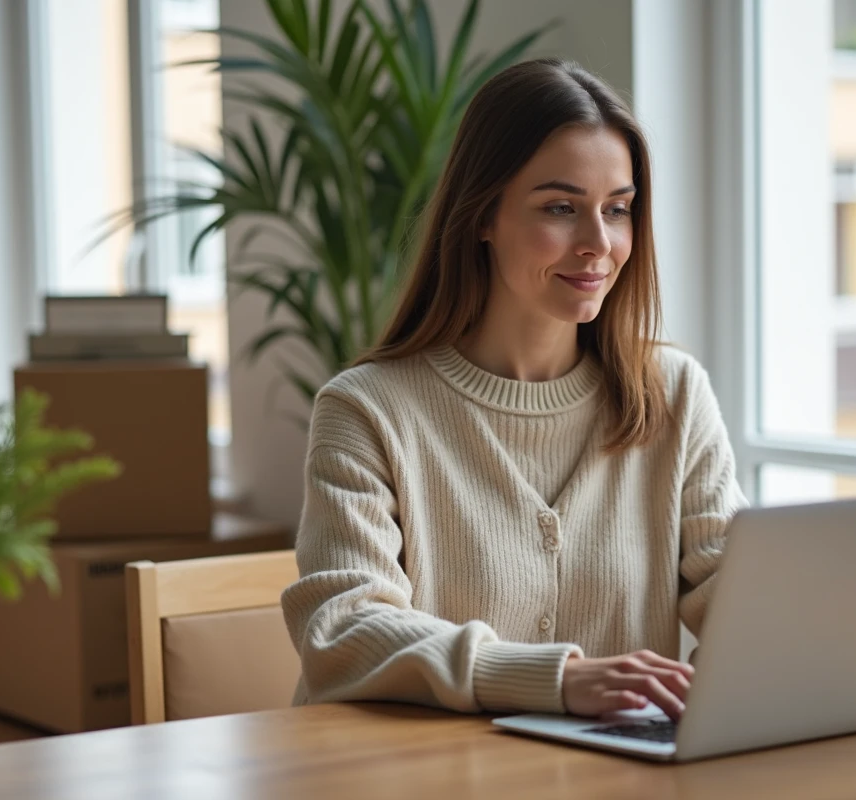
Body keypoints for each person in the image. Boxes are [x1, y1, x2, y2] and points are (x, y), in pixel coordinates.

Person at [280, 57, 747, 723]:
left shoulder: (672, 393)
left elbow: (739, 588)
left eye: (617, 210)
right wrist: (557, 679)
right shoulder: (367, 410)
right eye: (560, 208)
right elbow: (345, 630)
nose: (598, 243)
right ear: (482, 216)